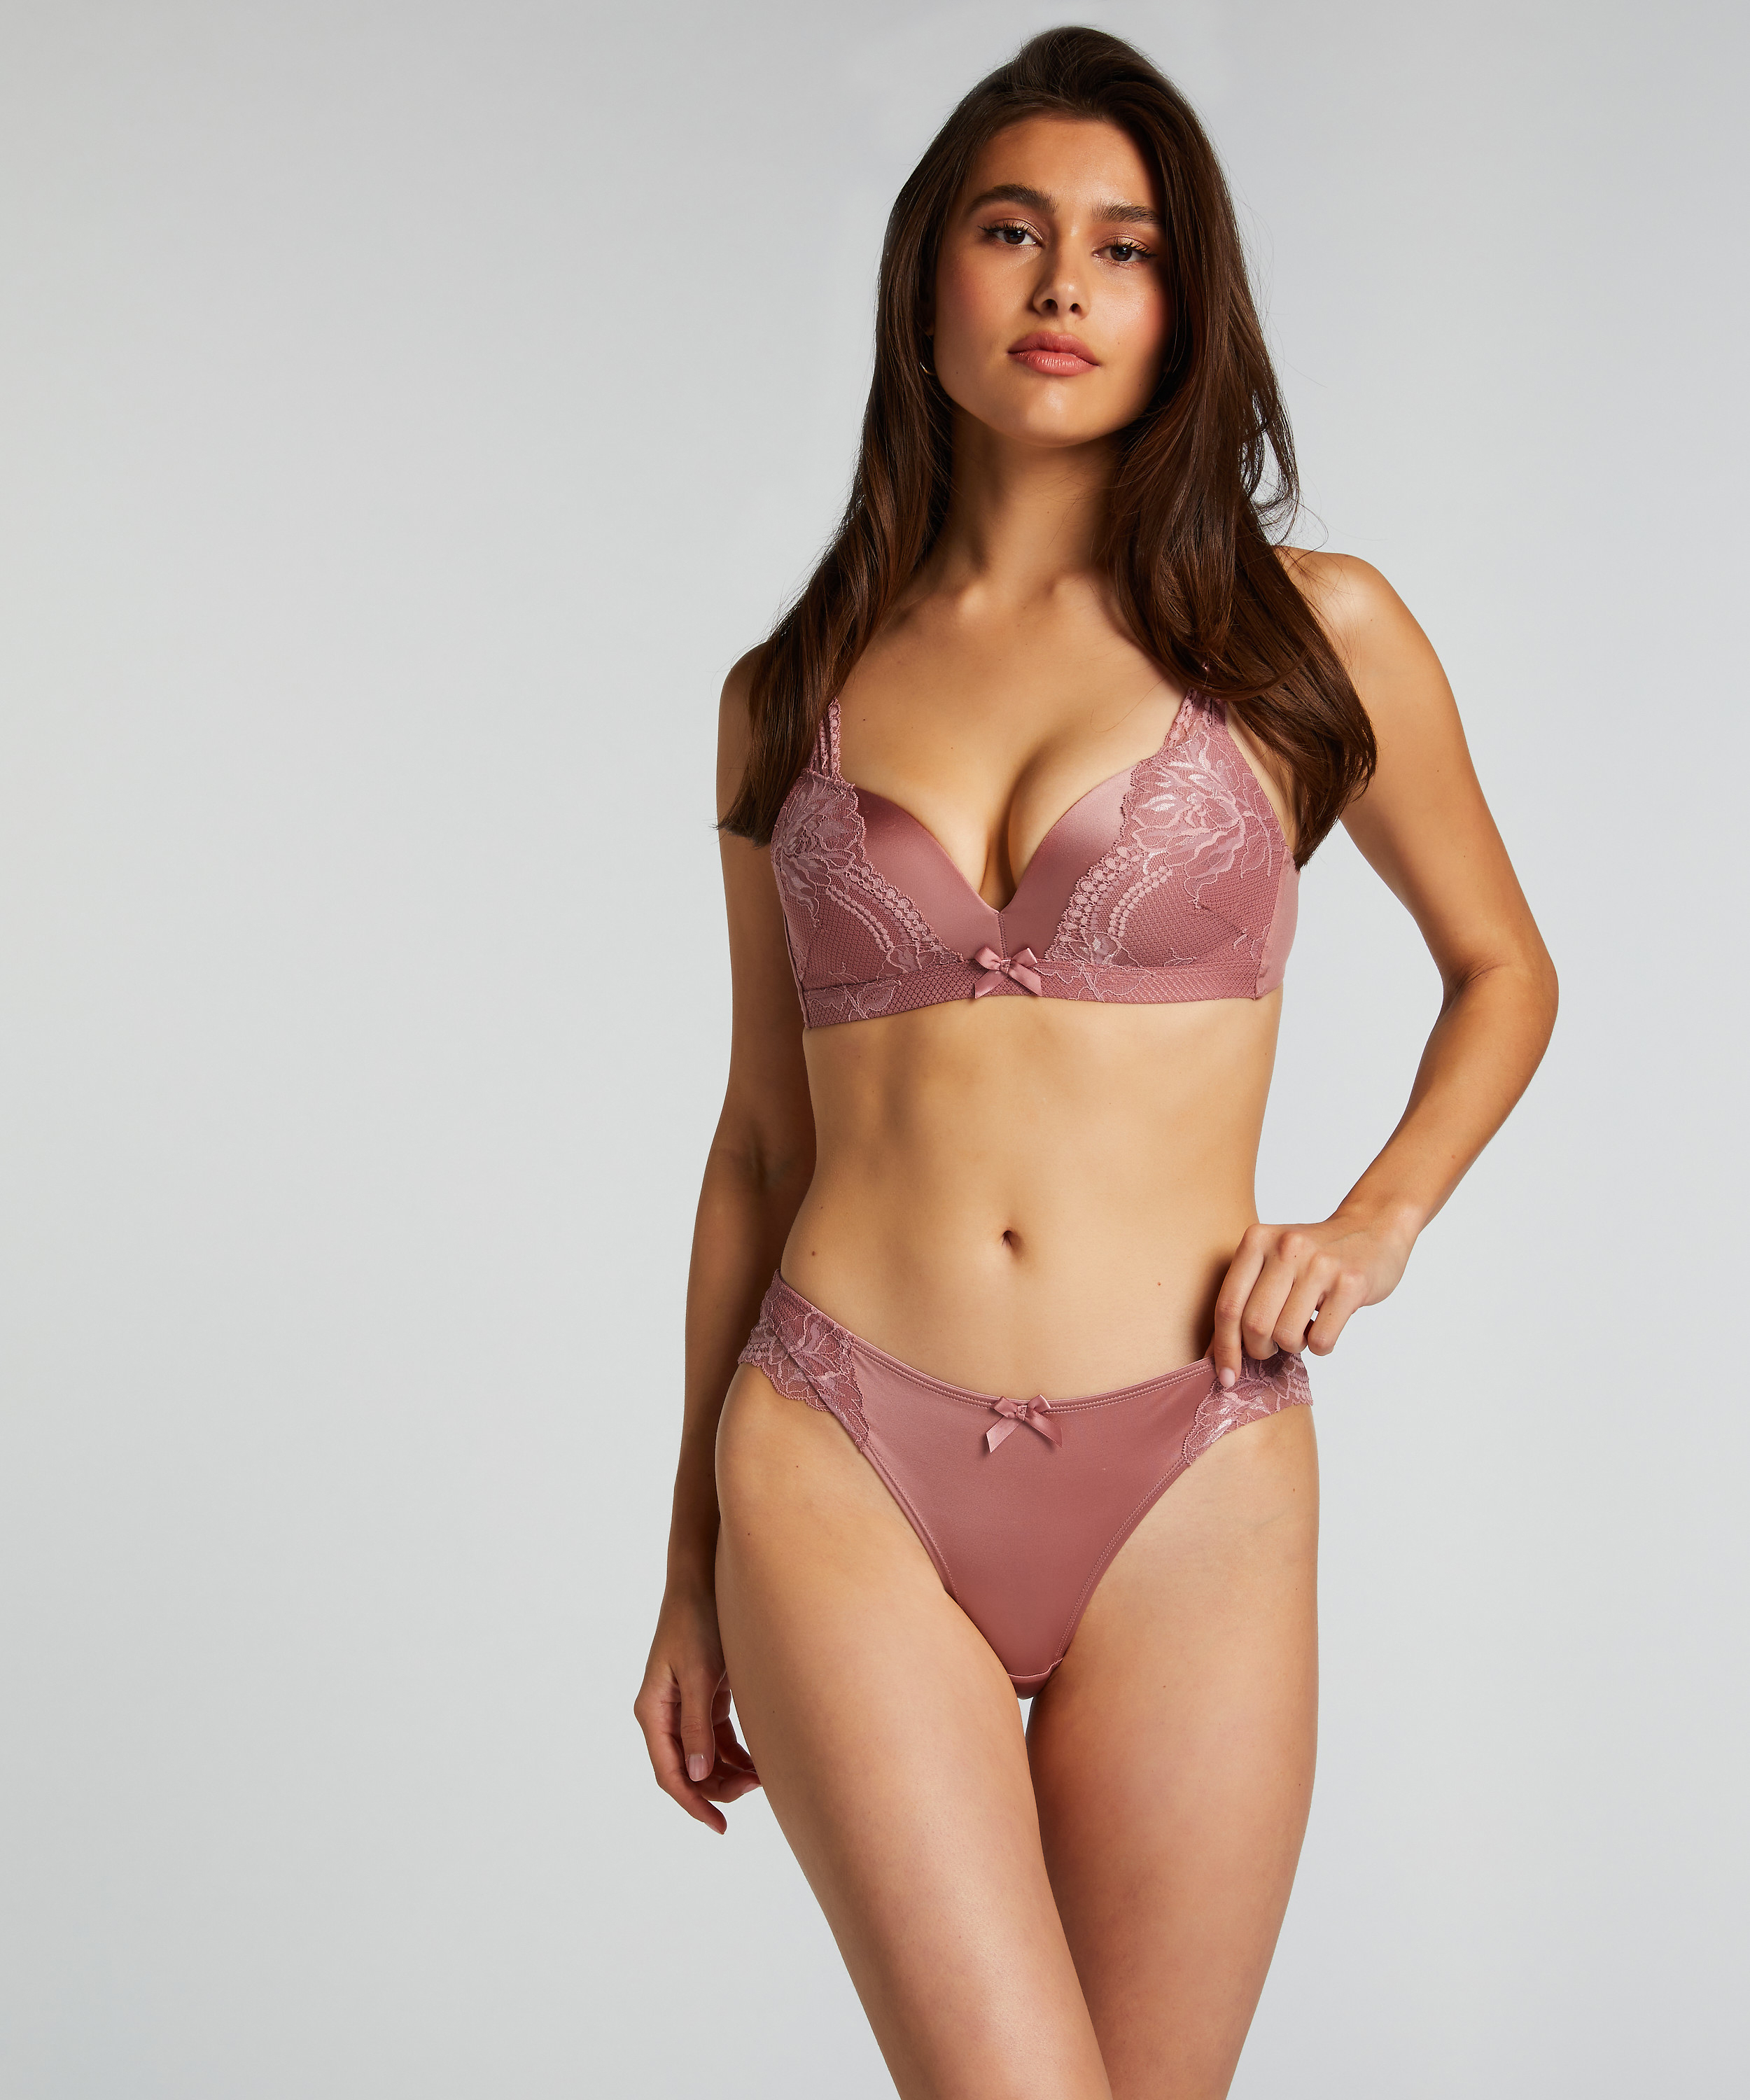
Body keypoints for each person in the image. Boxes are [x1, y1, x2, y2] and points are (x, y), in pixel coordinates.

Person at [634, 25, 1555, 2099]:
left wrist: (1377, 1223)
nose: (1064, 283)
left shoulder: (1310, 634)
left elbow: (1503, 968)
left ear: (1183, 304)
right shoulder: (788, 693)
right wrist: (685, 1570)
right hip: (836, 1454)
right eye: (1011, 230)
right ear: (926, 277)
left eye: (1125, 247)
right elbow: (759, 1141)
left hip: (1194, 1464)